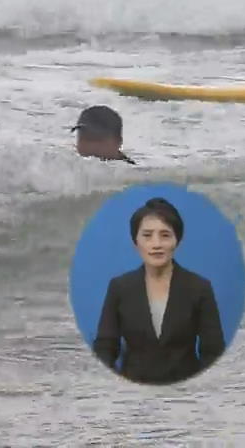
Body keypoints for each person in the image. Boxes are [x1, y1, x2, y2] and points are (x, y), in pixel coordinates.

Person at [92, 198, 226, 384]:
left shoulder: (199, 287)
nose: (156, 244)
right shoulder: (119, 288)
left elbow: (213, 352)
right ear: (135, 241)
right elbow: (105, 348)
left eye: (165, 235)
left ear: (176, 240)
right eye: (147, 235)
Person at [70, 105, 136, 164]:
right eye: (85, 139)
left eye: (98, 140)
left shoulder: (134, 174)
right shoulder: (67, 162)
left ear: (118, 142)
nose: (90, 146)